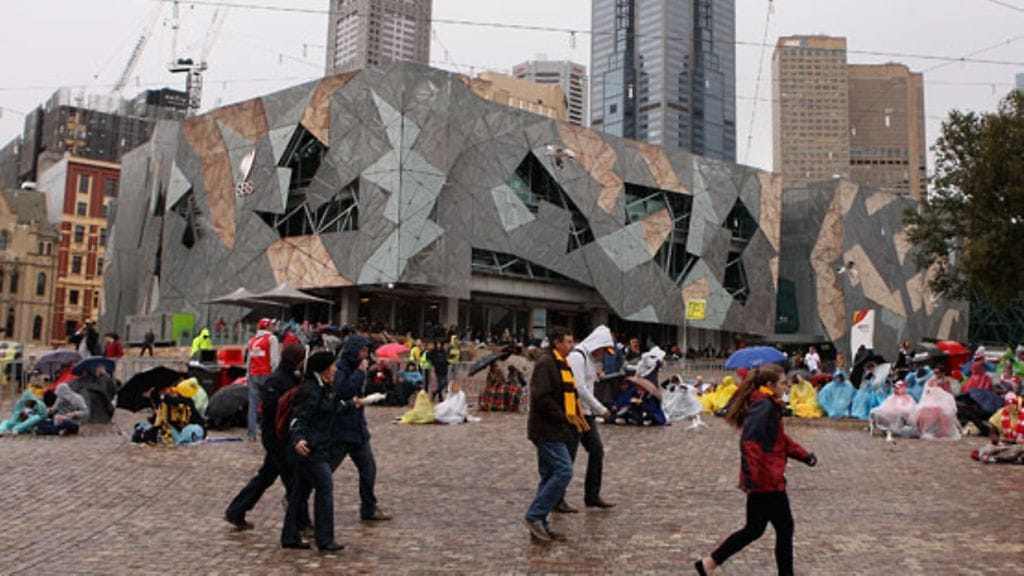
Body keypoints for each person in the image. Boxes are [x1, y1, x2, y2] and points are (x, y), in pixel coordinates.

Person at [695, 365, 817, 576]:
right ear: (769, 385)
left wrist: (804, 455)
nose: (786, 385)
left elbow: (779, 440)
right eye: (781, 383)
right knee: (784, 528)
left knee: (754, 529)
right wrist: (751, 476)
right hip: (766, 479)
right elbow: (750, 442)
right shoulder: (764, 406)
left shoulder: (768, 404)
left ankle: (710, 563)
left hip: (766, 478)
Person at [225, 344, 309, 531]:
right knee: (293, 480)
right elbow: (272, 412)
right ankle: (302, 521)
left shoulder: (292, 378)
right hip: (277, 438)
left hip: (282, 437)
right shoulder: (277, 381)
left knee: (266, 477)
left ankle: (236, 510)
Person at [282, 350, 352, 551]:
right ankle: (324, 538)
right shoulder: (310, 390)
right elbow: (298, 418)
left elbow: (331, 408)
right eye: (332, 366)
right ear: (323, 370)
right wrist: (298, 439)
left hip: (317, 446)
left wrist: (350, 405)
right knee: (324, 487)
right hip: (310, 449)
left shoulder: (324, 388)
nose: (335, 370)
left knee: (299, 494)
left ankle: (290, 536)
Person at [523, 326, 587, 543]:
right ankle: (534, 516)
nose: (572, 346)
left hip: (557, 428)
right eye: (568, 342)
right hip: (547, 429)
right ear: (557, 343)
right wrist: (563, 416)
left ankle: (540, 523)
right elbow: (541, 397)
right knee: (563, 471)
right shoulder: (547, 364)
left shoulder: (562, 363)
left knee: (549, 475)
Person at [331, 334, 390, 522]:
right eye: (363, 350)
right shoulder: (341, 368)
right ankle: (296, 500)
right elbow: (343, 391)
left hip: (357, 429)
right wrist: (359, 373)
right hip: (342, 430)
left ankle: (369, 507)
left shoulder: (359, 367)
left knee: (368, 469)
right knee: (325, 470)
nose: (365, 354)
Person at [563, 324, 615, 511]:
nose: (603, 353)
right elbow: (579, 387)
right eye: (603, 349)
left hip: (587, 414)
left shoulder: (589, 359)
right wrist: (600, 409)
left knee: (597, 451)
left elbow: (587, 382)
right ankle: (556, 498)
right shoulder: (578, 356)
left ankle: (592, 496)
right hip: (576, 414)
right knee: (568, 458)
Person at [246, 319, 281, 441]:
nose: (274, 326)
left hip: (253, 374)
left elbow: (249, 360)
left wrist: (247, 374)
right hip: (267, 374)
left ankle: (251, 434)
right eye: (272, 325)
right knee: (270, 404)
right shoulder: (272, 339)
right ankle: (269, 432)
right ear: (267, 327)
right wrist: (276, 375)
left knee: (253, 405)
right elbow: (274, 360)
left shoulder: (253, 340)